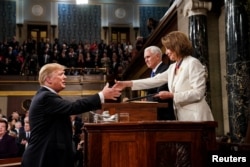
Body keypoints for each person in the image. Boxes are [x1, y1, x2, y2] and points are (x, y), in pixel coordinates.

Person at [21, 63, 121, 167]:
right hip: (44, 157)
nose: (65, 77)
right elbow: (73, 107)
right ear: (48, 79)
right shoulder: (45, 97)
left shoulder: (46, 96)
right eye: (61, 74)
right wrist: (101, 95)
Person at [114, 31, 214, 121]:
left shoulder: (192, 63)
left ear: (177, 46)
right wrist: (127, 83)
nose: (166, 52)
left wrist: (172, 95)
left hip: (197, 117)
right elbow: (154, 80)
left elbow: (198, 93)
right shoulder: (172, 67)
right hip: (183, 117)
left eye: (168, 48)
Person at [143, 46, 175, 120]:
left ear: (157, 56)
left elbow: (159, 96)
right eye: (145, 58)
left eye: (148, 57)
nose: (146, 60)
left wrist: (146, 99)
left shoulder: (165, 69)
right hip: (156, 114)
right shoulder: (153, 72)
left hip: (164, 116)